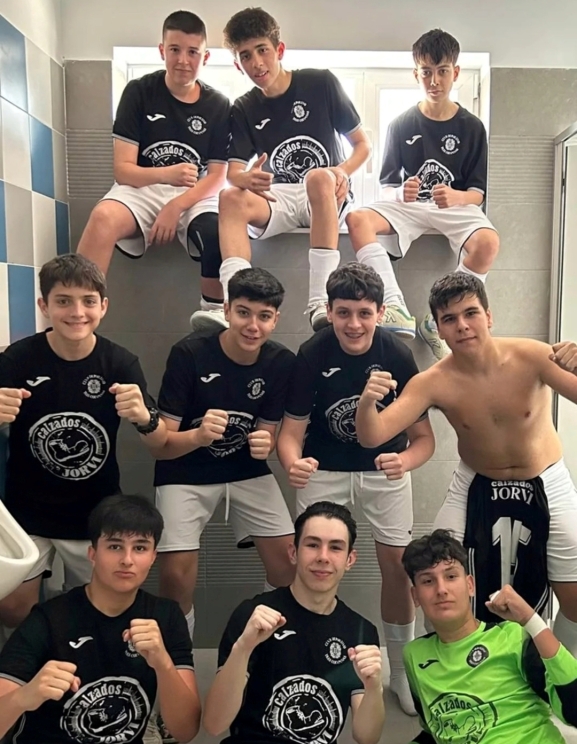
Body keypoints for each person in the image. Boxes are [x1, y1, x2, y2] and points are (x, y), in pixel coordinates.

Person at [355, 272, 577, 656]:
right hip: (476, 480)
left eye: (470, 313)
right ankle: (449, 667)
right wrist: (366, 403)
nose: (462, 325)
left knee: (574, 594)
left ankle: (561, 671)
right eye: (449, 319)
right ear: (438, 328)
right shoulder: (433, 381)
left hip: (546, 478)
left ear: (488, 316)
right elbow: (372, 435)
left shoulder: (533, 356)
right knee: (436, 569)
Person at [277, 262, 434, 715]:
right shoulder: (312, 353)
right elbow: (290, 433)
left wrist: (404, 460)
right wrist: (293, 463)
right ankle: (305, 661)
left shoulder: (397, 354)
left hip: (384, 473)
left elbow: (425, 440)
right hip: (324, 470)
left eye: (364, 313)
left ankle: (400, 673)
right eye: (343, 312)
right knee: (311, 564)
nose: (354, 323)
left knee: (398, 568)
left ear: (381, 313)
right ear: (328, 311)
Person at [0, 255, 165, 630]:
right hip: (28, 510)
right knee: (11, 609)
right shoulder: (18, 360)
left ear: (103, 306)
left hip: (95, 513)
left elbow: (160, 444)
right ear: (44, 305)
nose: (77, 312)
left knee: (98, 611)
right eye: (63, 301)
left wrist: (145, 417)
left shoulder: (120, 363)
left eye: (88, 301)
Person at [189, 7, 371, 334]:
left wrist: (342, 172)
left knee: (318, 176)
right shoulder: (244, 107)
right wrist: (246, 178)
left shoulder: (320, 83)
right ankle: (233, 304)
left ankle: (320, 302)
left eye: (262, 50)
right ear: (238, 64)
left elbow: (363, 145)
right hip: (281, 196)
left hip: (327, 193)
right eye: (246, 56)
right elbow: (233, 173)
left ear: (280, 50)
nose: (257, 63)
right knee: (230, 198)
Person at [150, 268, 296, 644]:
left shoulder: (280, 361)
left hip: (246, 470)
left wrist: (265, 443)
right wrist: (198, 436)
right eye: (244, 312)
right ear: (227, 310)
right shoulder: (189, 354)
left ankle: (268, 650)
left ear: (276, 319)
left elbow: (268, 429)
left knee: (290, 564)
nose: (253, 326)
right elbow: (161, 443)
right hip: (183, 470)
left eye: (264, 316)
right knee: (175, 577)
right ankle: (177, 663)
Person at [345, 28, 499, 360]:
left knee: (488, 242)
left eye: (442, 71)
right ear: (416, 74)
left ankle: (437, 318)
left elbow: (478, 193)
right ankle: (395, 306)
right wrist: (401, 192)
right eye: (426, 72)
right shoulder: (400, 124)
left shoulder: (472, 126)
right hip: (410, 207)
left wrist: (457, 197)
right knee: (356, 218)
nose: (434, 80)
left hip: (455, 206)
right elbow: (387, 186)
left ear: (455, 72)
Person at [0, 494, 201, 744]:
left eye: (140, 548)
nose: (127, 560)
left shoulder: (166, 616)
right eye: (115, 546)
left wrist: (164, 664)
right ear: (92, 554)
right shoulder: (48, 619)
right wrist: (23, 698)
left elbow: (186, 731)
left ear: (153, 557)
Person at [77, 10, 231, 320]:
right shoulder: (139, 92)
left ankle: (214, 317)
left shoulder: (218, 104)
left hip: (194, 193)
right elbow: (123, 170)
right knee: (103, 218)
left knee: (218, 231)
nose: (183, 60)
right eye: (175, 49)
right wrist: (167, 174)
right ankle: (77, 313)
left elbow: (217, 177)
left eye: (192, 52)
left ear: (205, 57)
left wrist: (175, 206)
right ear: (162, 50)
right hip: (142, 187)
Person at [203, 501, 385, 744]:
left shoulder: (361, 631)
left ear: (350, 560)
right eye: (312, 545)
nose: (323, 557)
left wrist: (374, 688)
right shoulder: (254, 616)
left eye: (335, 547)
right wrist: (243, 648)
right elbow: (214, 724)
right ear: (293, 553)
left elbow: (367, 738)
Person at [402, 529, 577, 744]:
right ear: (415, 596)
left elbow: (574, 709)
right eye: (428, 581)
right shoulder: (415, 655)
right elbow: (436, 730)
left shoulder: (512, 637)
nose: (441, 589)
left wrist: (531, 620)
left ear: (470, 585)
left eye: (451, 576)